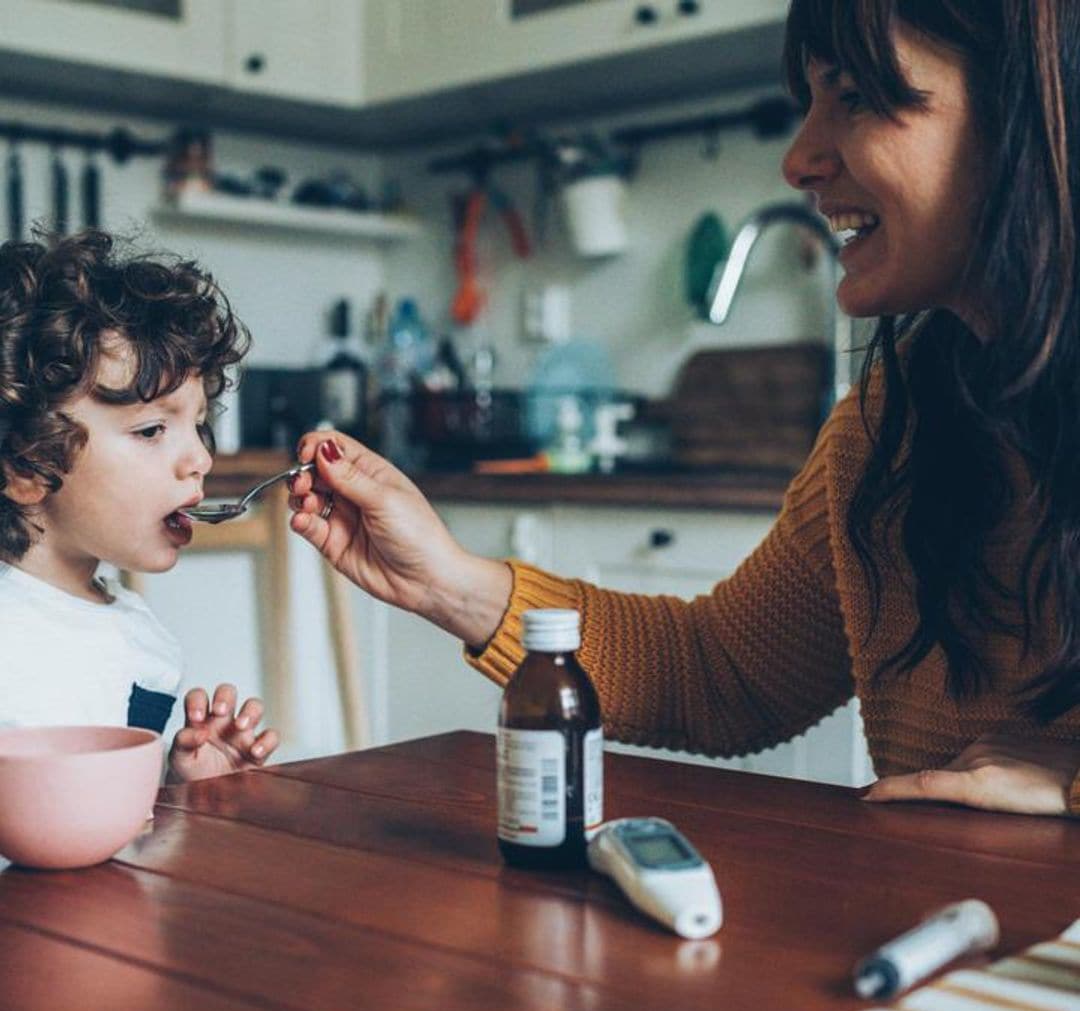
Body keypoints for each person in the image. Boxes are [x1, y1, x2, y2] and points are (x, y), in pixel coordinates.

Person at [288, 0, 1080, 817]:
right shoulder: (894, 420)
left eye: (855, 97)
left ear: (1028, 107)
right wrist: (448, 582)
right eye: (810, 101)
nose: (801, 159)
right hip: (948, 932)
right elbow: (723, 672)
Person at [0, 231, 279, 781]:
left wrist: (181, 785)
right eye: (152, 430)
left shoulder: (143, 640)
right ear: (26, 466)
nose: (200, 458)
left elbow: (122, 816)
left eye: (198, 425)